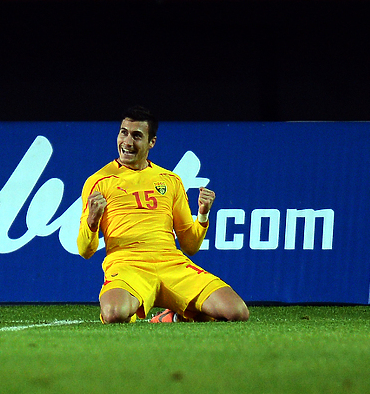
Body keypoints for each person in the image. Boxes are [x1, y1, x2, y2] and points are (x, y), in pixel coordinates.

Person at [77, 105, 249, 323]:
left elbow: (190, 246)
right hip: (128, 265)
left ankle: (173, 316)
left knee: (237, 312)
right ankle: (159, 312)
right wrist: (92, 222)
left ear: (151, 142)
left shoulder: (170, 180)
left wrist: (203, 216)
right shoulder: (98, 182)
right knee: (114, 314)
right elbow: (85, 250)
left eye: (137, 136)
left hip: (172, 264)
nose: (127, 142)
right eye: (124, 133)